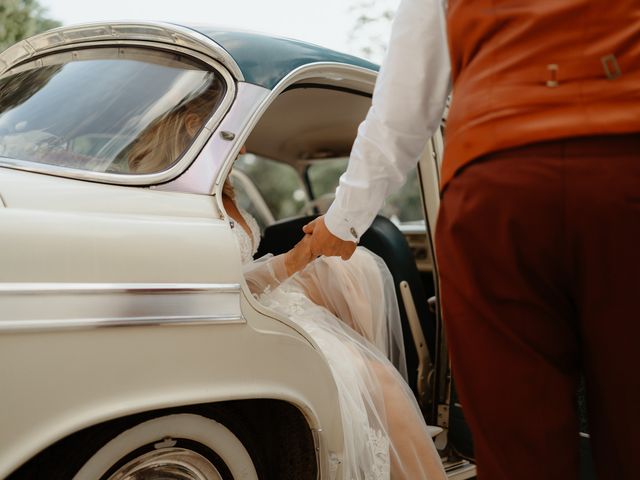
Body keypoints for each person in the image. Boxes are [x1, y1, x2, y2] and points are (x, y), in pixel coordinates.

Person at [305, 1, 640, 479]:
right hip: (626, 164)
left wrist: (342, 223)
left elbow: (401, 108)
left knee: (519, 449)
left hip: (497, 186)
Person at [130, 100, 447, 479]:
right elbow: (217, 286)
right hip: (232, 318)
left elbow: (245, 269)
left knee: (354, 273)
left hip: (260, 302)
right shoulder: (167, 201)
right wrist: (300, 257)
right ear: (194, 124)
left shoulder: (222, 188)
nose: (243, 149)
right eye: (235, 135)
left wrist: (310, 257)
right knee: (373, 382)